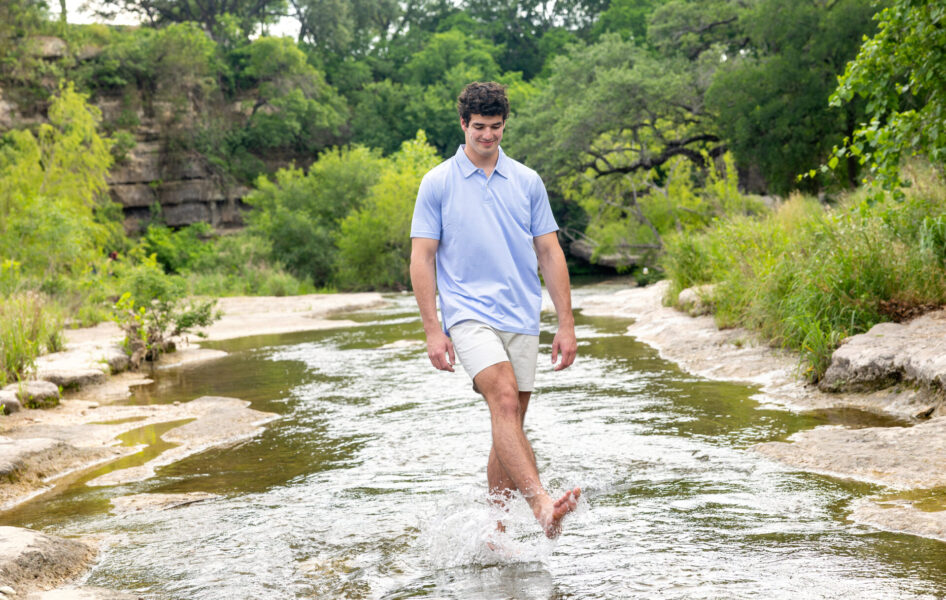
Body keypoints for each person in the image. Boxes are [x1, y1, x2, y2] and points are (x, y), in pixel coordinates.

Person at [409, 81, 581, 538]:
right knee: (503, 397)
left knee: (510, 421)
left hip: (522, 315)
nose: (488, 136)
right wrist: (432, 329)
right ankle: (542, 505)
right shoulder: (437, 182)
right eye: (479, 127)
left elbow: (549, 252)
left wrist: (566, 324)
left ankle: (497, 528)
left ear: (505, 125)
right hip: (467, 313)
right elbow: (422, 257)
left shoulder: (527, 181)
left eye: (496, 127)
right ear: (463, 124)